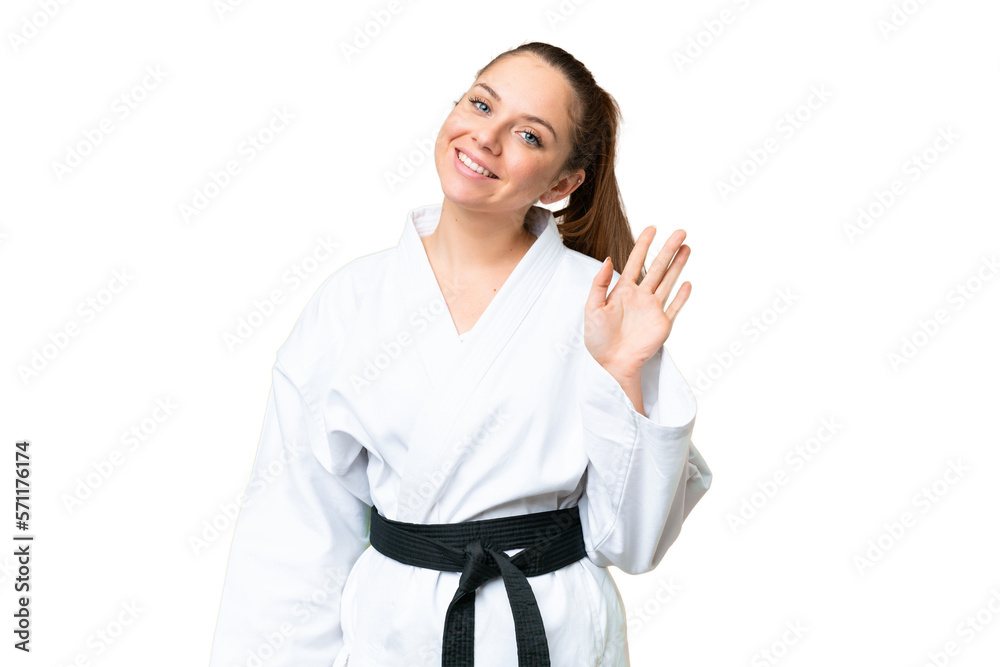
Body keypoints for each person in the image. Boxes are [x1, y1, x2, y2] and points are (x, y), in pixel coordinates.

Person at [208, 41, 712, 667]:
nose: (486, 138)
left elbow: (631, 544)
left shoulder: (604, 310)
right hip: (395, 637)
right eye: (480, 104)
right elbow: (292, 532)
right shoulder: (350, 302)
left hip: (553, 635)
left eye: (528, 134)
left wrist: (623, 372)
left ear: (562, 183)